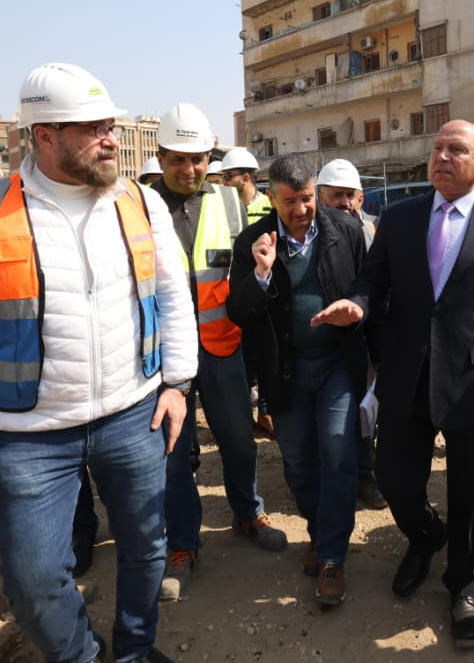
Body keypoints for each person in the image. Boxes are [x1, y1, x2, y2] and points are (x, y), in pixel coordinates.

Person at [0, 63, 198, 663]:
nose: (110, 140)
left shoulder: (140, 203)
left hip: (133, 417)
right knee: (35, 578)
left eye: (111, 126)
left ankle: (135, 651)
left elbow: (174, 299)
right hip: (29, 437)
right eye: (93, 129)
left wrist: (176, 383)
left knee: (146, 546)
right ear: (44, 135)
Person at [311, 119, 474, 650]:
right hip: (406, 375)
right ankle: (424, 537)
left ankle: (463, 582)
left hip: (473, 382)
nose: (441, 156)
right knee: (395, 480)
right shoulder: (400, 218)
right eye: (437, 147)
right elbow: (372, 280)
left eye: (456, 149)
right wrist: (357, 304)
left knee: (471, 494)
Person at [151, 104, 286, 603]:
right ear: (160, 157)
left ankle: (248, 513)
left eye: (198, 159)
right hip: (164, 358)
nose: (189, 169)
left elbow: (250, 272)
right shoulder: (140, 207)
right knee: (172, 453)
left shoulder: (232, 203)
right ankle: (182, 545)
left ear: (210, 158)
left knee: (239, 442)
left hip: (222, 347)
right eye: (178, 159)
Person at [227, 154, 368, 608]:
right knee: (299, 463)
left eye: (307, 198)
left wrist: (356, 307)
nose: (302, 209)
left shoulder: (344, 231)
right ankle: (320, 532)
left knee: (338, 454)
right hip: (285, 372)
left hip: (336, 365)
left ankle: (332, 557)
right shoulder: (252, 242)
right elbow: (238, 311)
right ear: (272, 197)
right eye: (290, 202)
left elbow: (369, 285)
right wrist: (261, 272)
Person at [316, 157, 385, 511]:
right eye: (336, 195)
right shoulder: (311, 234)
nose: (343, 203)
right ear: (321, 197)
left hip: (364, 336)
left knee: (365, 409)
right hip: (325, 340)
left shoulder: (374, 231)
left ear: (360, 198)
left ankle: (365, 474)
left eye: (349, 195)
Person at [221, 148, 273, 225]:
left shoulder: (271, 206)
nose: (223, 182)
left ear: (245, 178)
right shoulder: (223, 208)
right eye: (223, 177)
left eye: (228, 176)